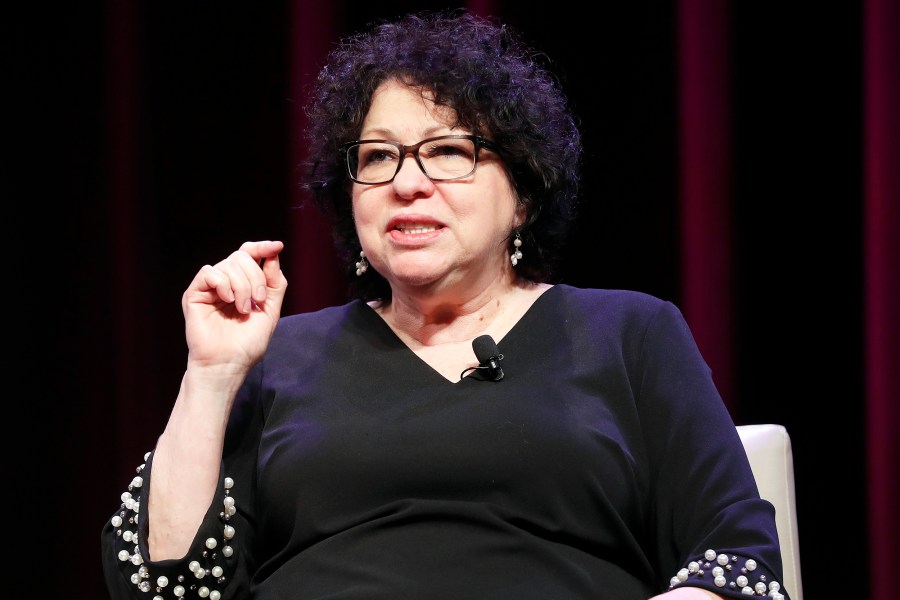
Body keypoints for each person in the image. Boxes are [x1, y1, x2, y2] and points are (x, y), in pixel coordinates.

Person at [100, 9, 790, 600]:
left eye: (448, 151)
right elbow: (167, 586)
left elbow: (739, 565)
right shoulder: (276, 357)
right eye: (377, 157)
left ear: (522, 192)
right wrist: (211, 374)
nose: (407, 183)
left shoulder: (632, 334)